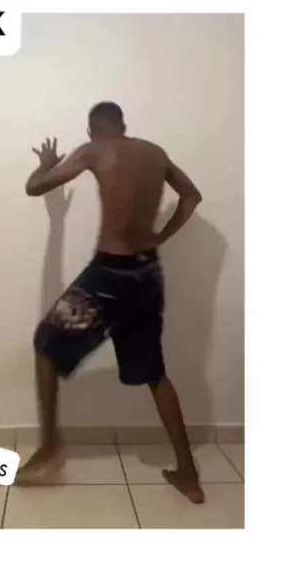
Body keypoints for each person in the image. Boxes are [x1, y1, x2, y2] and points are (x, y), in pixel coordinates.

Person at [17, 102, 204, 503]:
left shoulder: (93, 150)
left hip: (109, 277)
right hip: (148, 276)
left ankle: (50, 448)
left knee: (45, 344)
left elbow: (35, 187)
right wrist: (162, 236)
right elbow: (192, 197)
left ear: (91, 130)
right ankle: (188, 474)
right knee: (155, 373)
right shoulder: (154, 152)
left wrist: (46, 165)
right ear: (124, 125)